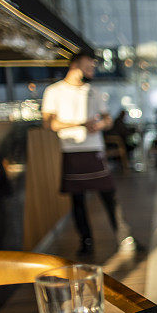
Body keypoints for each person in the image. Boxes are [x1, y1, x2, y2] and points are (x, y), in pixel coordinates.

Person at [41, 50, 137, 256]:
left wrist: (100, 124)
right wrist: (80, 123)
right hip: (71, 151)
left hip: (95, 149)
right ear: (75, 64)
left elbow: (107, 119)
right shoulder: (54, 91)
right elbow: (49, 123)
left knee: (109, 195)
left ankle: (124, 237)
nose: (92, 68)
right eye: (89, 64)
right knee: (78, 200)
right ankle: (86, 242)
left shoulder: (93, 91)